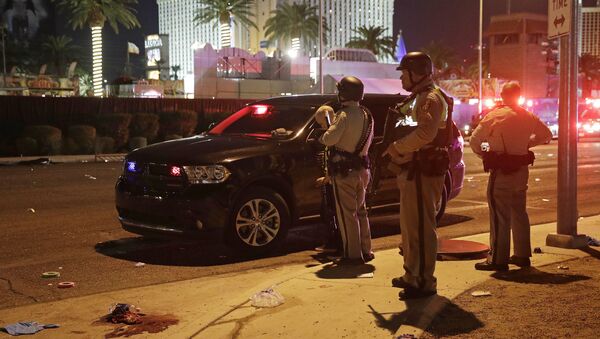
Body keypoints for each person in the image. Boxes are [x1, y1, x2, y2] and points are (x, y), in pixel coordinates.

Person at [385, 51, 450, 299]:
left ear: (417, 73)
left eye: (404, 73)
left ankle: (424, 281)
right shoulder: (419, 98)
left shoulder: (430, 99)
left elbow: (425, 134)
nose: (402, 78)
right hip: (414, 169)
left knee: (422, 228)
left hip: (424, 170)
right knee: (411, 227)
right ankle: (412, 274)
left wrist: (396, 148)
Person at [470, 82, 552, 271]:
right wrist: (526, 145)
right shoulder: (528, 116)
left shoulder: (495, 116)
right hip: (522, 170)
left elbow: (475, 141)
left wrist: (486, 152)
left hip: (501, 171)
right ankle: (522, 255)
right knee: (519, 212)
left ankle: (498, 259)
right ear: (518, 95)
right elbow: (546, 135)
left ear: (503, 95)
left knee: (500, 215)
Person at [314, 76, 374, 265]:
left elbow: (329, 139)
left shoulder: (343, 115)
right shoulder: (367, 115)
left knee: (347, 214)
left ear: (344, 93)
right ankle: (366, 250)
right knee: (361, 212)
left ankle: (352, 255)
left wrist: (322, 134)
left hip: (344, 171)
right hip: (363, 170)